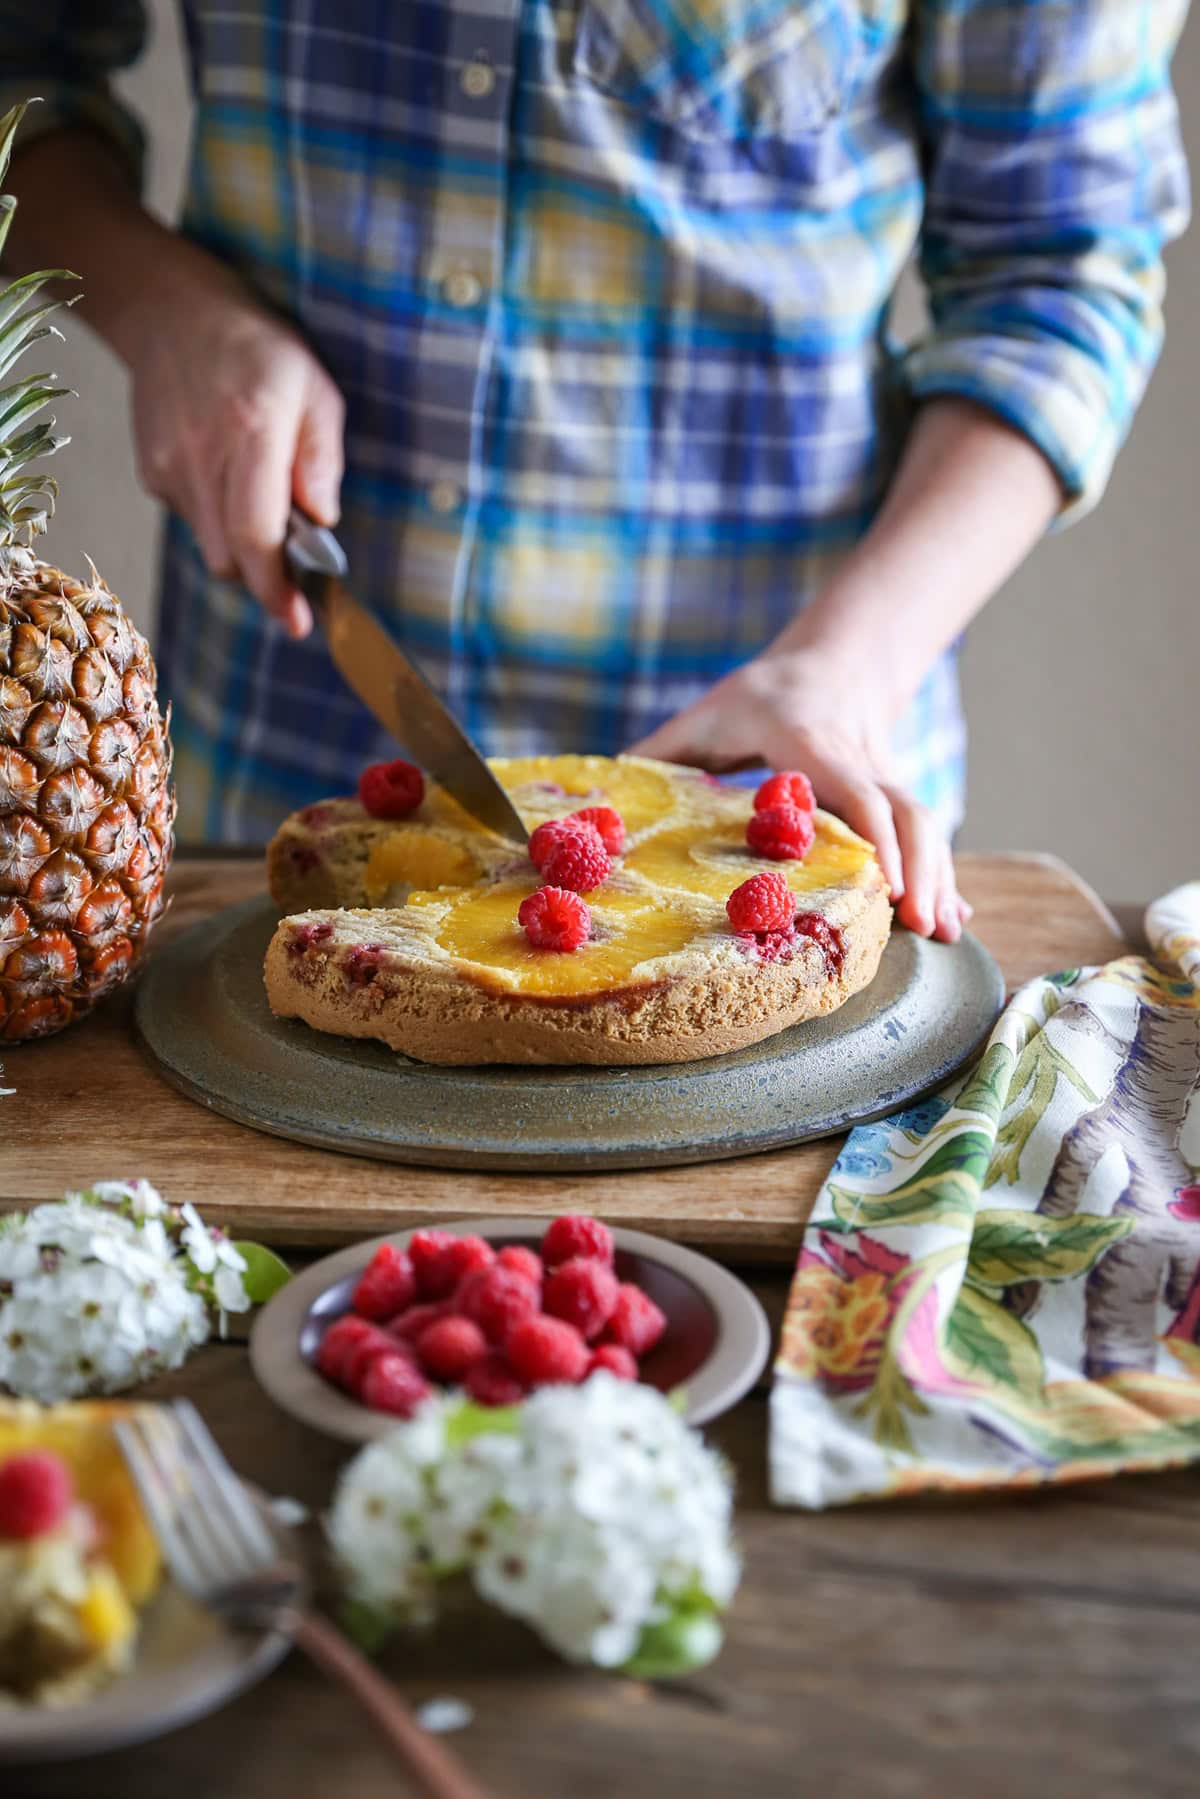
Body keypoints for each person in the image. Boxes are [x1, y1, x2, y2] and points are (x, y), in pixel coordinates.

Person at [1, 1, 1189, 945]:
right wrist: (162, 309)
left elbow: (1063, 273)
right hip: (281, 762)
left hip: (770, 789)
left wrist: (845, 667)